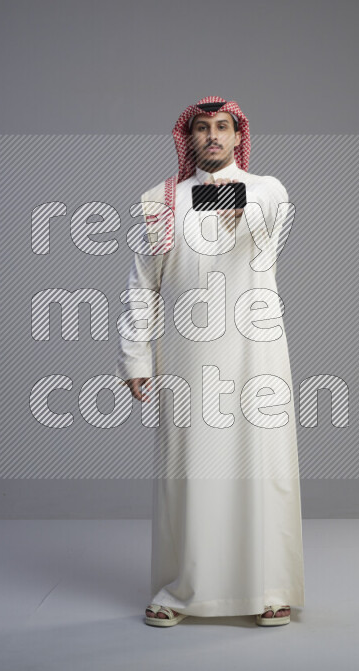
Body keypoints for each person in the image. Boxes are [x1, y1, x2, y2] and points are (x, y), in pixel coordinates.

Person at [116, 96, 305, 627]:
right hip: (187, 356)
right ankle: (181, 590)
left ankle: (269, 590)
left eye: (223, 127)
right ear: (188, 138)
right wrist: (136, 356)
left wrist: (199, 199)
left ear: (238, 135)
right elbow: (142, 285)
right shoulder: (159, 202)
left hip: (258, 354)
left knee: (261, 468)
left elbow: (261, 212)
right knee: (189, 474)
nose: (213, 137)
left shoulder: (269, 189)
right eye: (202, 129)